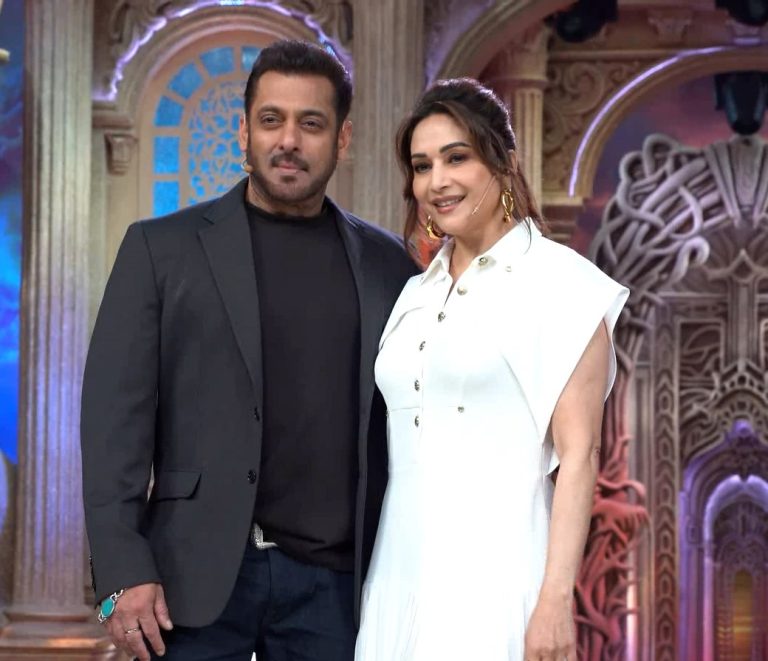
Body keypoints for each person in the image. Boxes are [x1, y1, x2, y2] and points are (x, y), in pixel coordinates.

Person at [80, 40, 417, 661]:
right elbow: (113, 423)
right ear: (244, 131)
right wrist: (121, 569)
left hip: (335, 589)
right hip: (190, 579)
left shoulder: (389, 265)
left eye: (310, 123)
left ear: (342, 138)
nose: (288, 140)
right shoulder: (160, 249)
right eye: (271, 120)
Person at [354, 78, 629, 661]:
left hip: (499, 582)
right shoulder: (413, 293)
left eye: (457, 158)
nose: (437, 181)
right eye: (422, 166)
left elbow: (579, 457)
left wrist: (555, 600)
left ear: (503, 163)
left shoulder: (563, 285)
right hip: (396, 576)